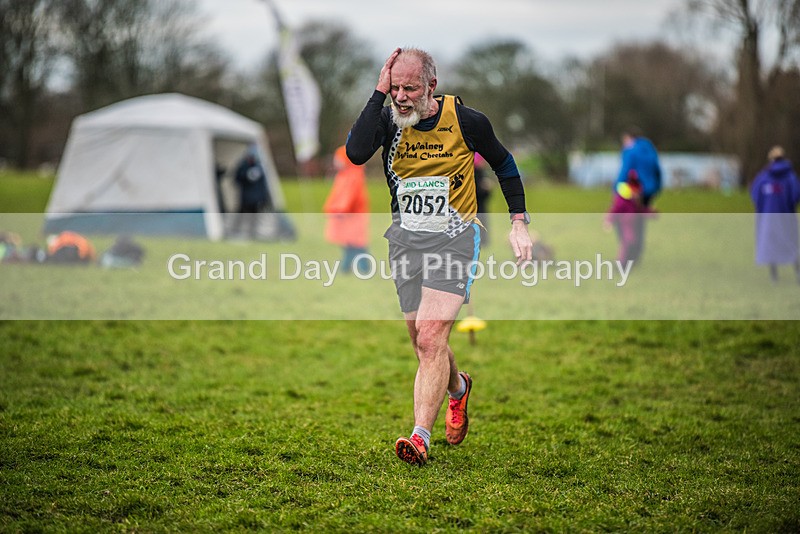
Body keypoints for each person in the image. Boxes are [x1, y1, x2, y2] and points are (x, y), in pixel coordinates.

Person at [346, 47, 533, 466]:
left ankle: (420, 437)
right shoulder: (387, 119)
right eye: (395, 88)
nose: (401, 97)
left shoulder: (467, 121)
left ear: (432, 85)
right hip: (405, 242)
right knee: (420, 338)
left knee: (431, 337)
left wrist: (518, 222)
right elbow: (355, 153)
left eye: (410, 88)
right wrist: (377, 92)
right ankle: (458, 388)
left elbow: (505, 165)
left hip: (455, 239)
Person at [750, 146, 800, 284]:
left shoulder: (762, 177)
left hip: (768, 219)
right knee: (791, 244)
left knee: (770, 245)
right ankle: (797, 273)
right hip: (786, 217)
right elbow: (795, 195)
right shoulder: (791, 177)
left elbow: (755, 195)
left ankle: (774, 277)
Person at [612, 127, 662, 265]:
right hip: (648, 192)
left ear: (629, 138)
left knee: (623, 223)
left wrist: (617, 188)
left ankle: (627, 253)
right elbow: (658, 172)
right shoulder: (650, 150)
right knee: (639, 222)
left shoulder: (631, 151)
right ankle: (636, 253)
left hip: (631, 191)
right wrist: (655, 189)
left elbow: (625, 171)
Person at [323, 145, 371, 273]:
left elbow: (349, 196)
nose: (336, 162)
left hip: (352, 215)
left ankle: (363, 268)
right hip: (345, 215)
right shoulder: (343, 175)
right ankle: (347, 267)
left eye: (338, 159)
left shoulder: (354, 174)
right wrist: (331, 207)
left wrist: (341, 209)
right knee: (348, 242)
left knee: (356, 242)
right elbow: (337, 195)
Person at [604, 169, 657, 265]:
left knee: (634, 243)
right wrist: (609, 221)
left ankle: (628, 261)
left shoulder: (636, 199)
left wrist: (650, 213)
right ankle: (621, 262)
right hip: (625, 223)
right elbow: (615, 210)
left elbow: (641, 209)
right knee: (628, 242)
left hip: (634, 224)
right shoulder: (622, 199)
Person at [233, 151, 271, 238]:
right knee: (241, 216)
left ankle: (252, 234)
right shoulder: (243, 167)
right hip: (246, 198)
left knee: (254, 217)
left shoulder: (260, 168)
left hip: (256, 198)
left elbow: (263, 185)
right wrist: (246, 176)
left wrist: (264, 197)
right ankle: (235, 232)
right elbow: (238, 180)